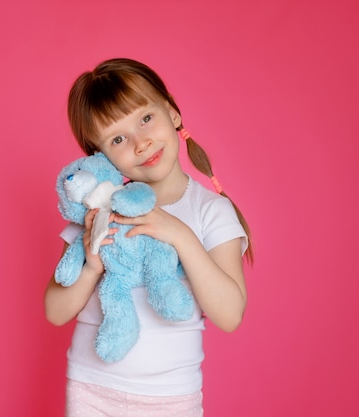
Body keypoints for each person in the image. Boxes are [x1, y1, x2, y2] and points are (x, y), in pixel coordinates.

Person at [45, 57, 253, 417]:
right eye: (119, 138)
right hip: (92, 387)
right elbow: (54, 311)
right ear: (102, 156)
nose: (141, 143)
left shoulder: (210, 211)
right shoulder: (99, 210)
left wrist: (181, 236)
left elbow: (230, 315)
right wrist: (92, 267)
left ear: (172, 113)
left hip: (170, 397)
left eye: (146, 118)